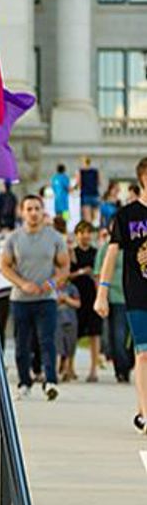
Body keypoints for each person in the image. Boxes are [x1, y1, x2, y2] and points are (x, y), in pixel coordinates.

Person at [95, 156, 147, 434]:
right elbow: (111, 255)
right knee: (143, 354)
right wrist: (102, 293)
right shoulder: (127, 216)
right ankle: (145, 411)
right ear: (142, 180)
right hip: (138, 293)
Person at [0, 195, 69, 401]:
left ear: (43, 211)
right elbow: (4, 266)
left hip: (46, 298)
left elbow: (64, 266)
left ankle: (50, 381)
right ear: (22, 212)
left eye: (37, 208)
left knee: (47, 341)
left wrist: (53, 283)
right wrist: (22, 283)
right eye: (29, 209)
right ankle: (24, 382)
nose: (33, 213)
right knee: (22, 343)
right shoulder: (14, 238)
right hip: (20, 298)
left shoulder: (54, 237)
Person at [69, 220, 103, 381]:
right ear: (77, 235)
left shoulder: (96, 253)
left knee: (95, 334)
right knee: (74, 333)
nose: (86, 236)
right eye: (82, 233)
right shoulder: (72, 253)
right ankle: (69, 367)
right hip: (77, 297)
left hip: (93, 297)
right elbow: (66, 275)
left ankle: (93, 369)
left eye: (88, 232)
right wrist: (81, 272)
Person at [95, 239, 132, 383]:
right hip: (116, 297)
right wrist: (101, 296)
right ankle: (122, 369)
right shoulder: (107, 248)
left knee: (137, 339)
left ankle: (132, 362)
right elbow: (99, 273)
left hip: (137, 297)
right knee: (118, 336)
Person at [55, 280, 81, 382]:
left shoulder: (71, 288)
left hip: (71, 320)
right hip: (56, 321)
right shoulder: (51, 286)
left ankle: (67, 370)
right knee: (58, 347)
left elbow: (78, 303)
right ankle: (56, 371)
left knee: (70, 346)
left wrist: (66, 299)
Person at [77, 156, 100, 225]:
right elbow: (99, 182)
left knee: (87, 218)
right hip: (95, 194)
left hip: (85, 195)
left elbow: (79, 183)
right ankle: (95, 230)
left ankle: (89, 232)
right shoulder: (95, 171)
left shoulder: (80, 171)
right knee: (95, 217)